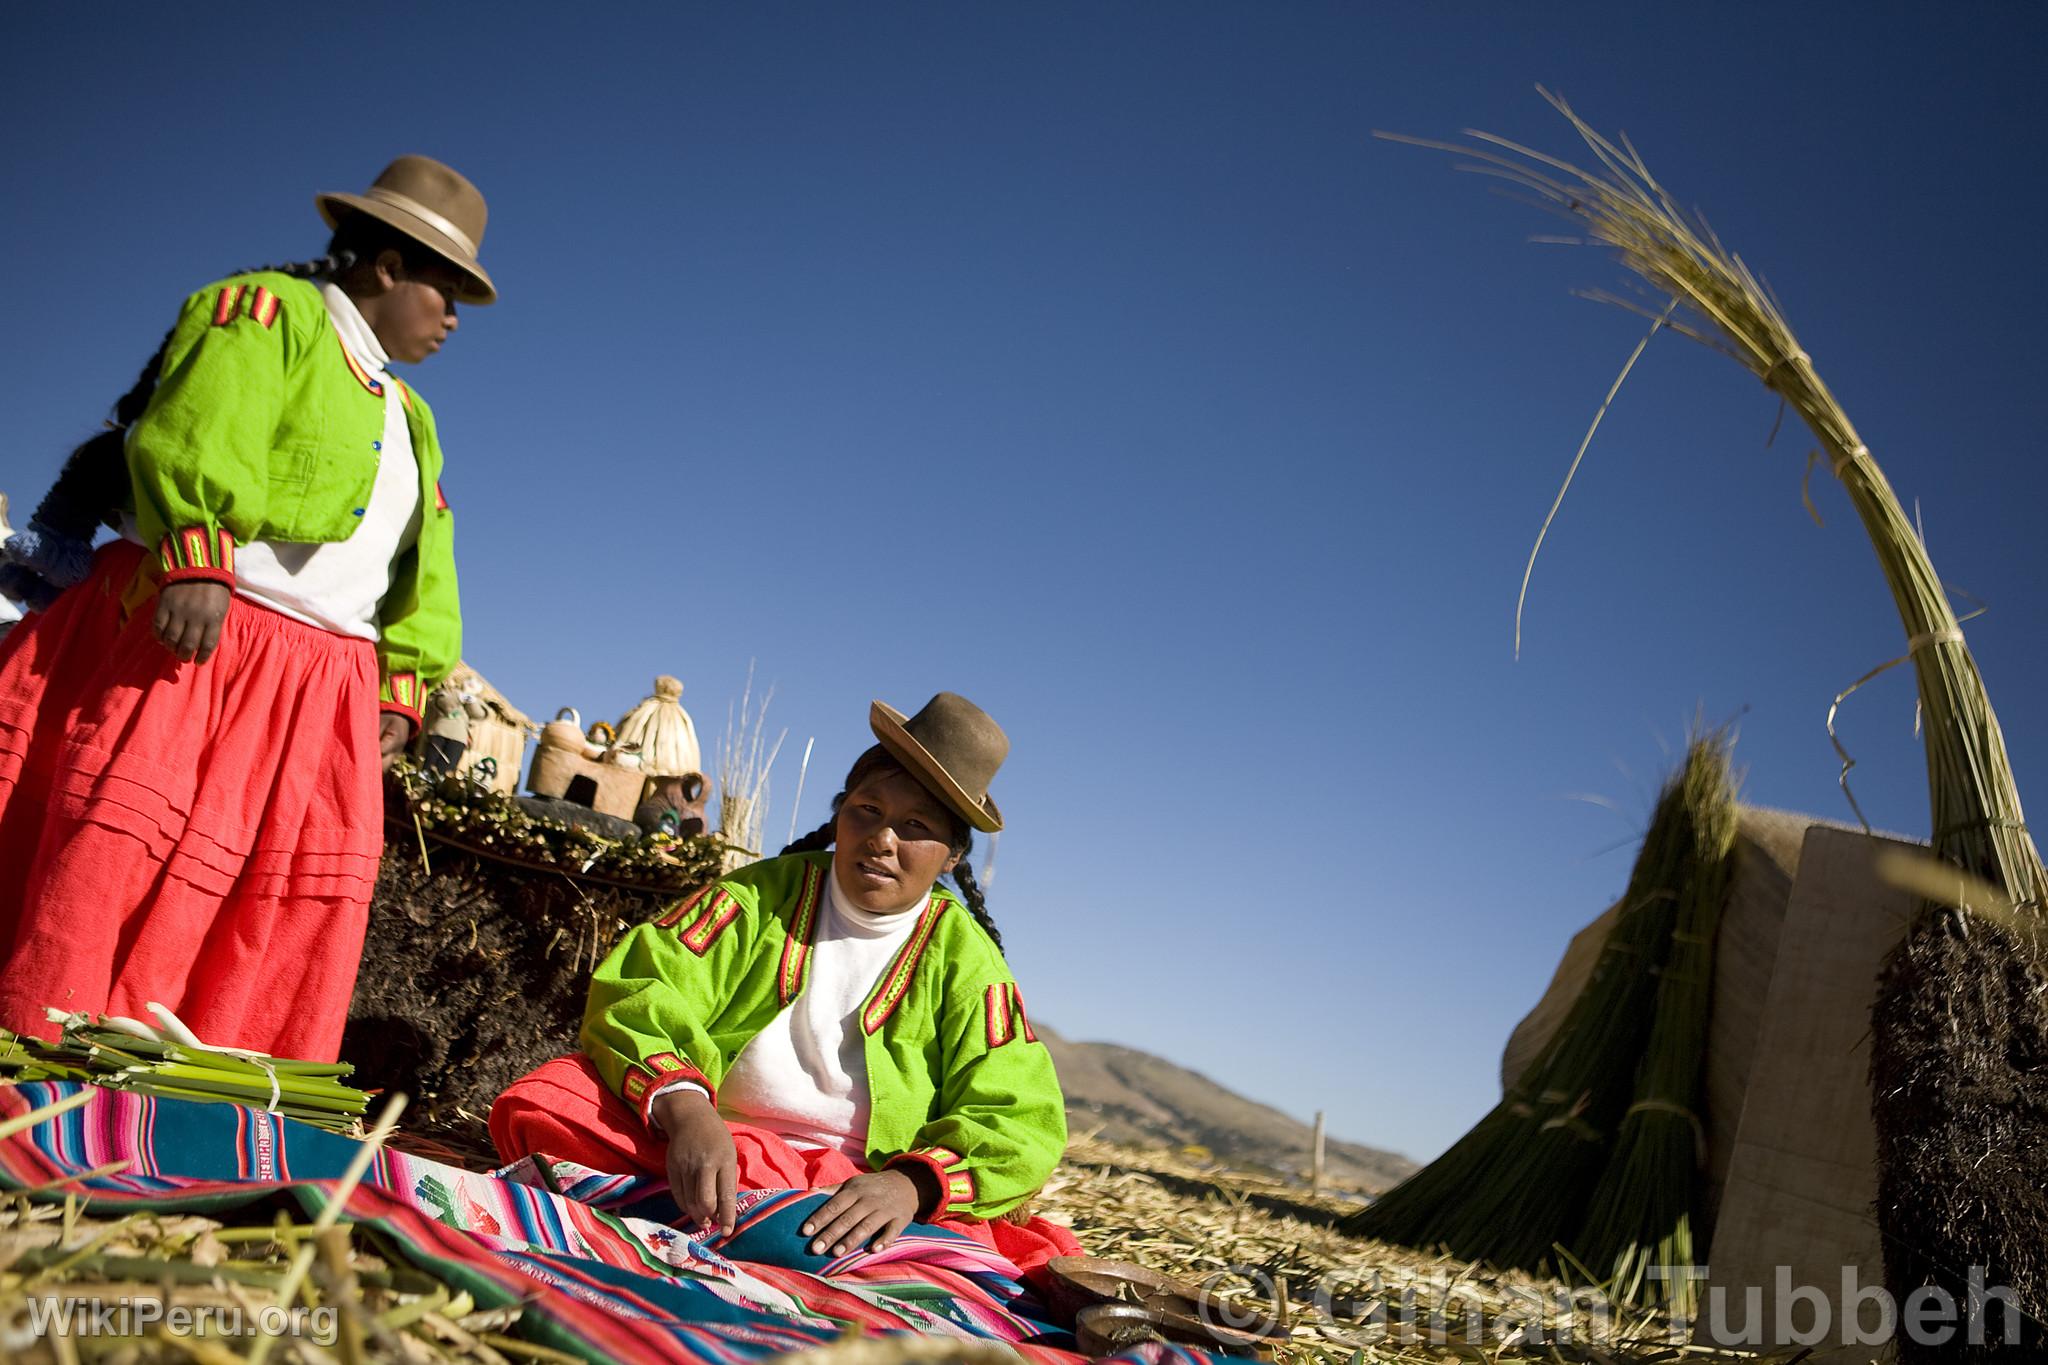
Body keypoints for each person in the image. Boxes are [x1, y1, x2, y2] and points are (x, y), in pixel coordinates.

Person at [0, 155, 493, 1061]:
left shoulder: (411, 415)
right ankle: (46, 1079)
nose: (455, 318)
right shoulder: (268, 315)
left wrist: (403, 680)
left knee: (261, 908)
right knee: (122, 864)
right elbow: (200, 426)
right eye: (446, 289)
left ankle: (191, 1114)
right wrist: (196, 550)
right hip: (205, 642)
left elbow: (426, 558)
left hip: (317, 690)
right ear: (386, 265)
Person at [491, 693, 1083, 1277]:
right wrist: (687, 1112)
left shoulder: (966, 962)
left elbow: (1020, 1115)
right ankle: (783, 1235)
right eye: (867, 811)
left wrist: (909, 1186)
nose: (882, 839)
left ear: (951, 856)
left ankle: (727, 1222)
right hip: (715, 1142)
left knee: (992, 1249)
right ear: (840, 812)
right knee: (548, 1101)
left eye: (915, 827)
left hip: (855, 1184)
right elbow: (644, 986)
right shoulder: (755, 898)